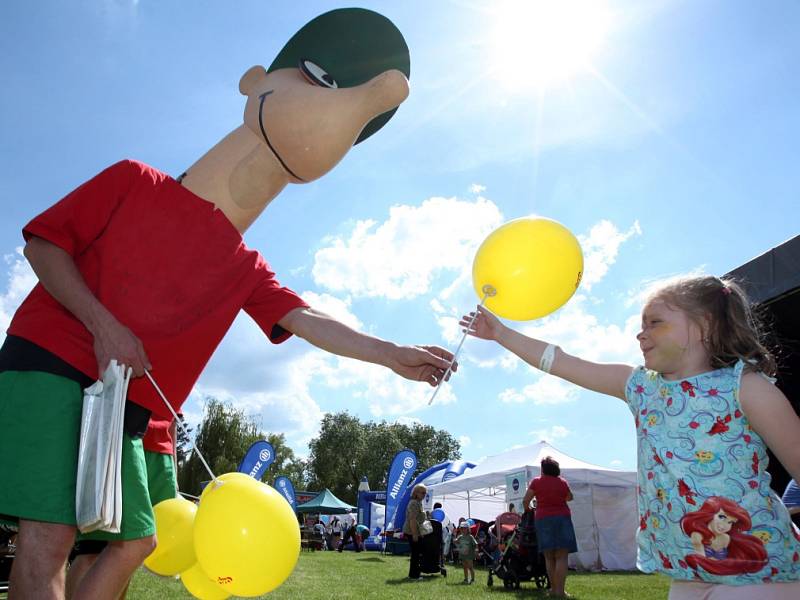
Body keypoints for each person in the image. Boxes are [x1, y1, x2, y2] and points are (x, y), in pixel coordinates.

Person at [0, 10, 454, 599]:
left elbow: (307, 320)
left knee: (136, 539)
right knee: (51, 535)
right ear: (254, 82)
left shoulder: (245, 266)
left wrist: (393, 353)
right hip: (53, 360)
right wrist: (104, 326)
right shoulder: (135, 180)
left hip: (126, 408)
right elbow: (43, 244)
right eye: (317, 78)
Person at [461, 275, 800, 599]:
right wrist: (501, 334)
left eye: (655, 322)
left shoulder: (745, 387)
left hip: (757, 565)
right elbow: (563, 362)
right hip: (688, 569)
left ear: (705, 326)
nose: (641, 334)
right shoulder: (641, 388)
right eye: (641, 324)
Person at [64, 415, 178, 598]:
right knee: (92, 549)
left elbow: (174, 422)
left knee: (130, 553)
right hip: (119, 434)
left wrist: (173, 473)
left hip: (160, 454)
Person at [522, 456, 577, 598]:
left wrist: (528, 509)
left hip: (543, 519)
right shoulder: (562, 482)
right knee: (561, 556)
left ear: (543, 469)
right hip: (562, 518)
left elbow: (525, 500)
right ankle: (561, 591)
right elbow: (570, 497)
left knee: (549, 557)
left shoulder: (536, 482)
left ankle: (553, 590)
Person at [403, 484, 427, 581]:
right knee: (415, 554)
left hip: (416, 531)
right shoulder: (414, 503)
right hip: (412, 531)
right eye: (423, 493)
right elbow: (412, 519)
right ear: (416, 493)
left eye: (425, 493)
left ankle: (415, 574)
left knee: (417, 553)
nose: (424, 495)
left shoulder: (419, 502)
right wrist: (415, 534)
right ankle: (413, 575)